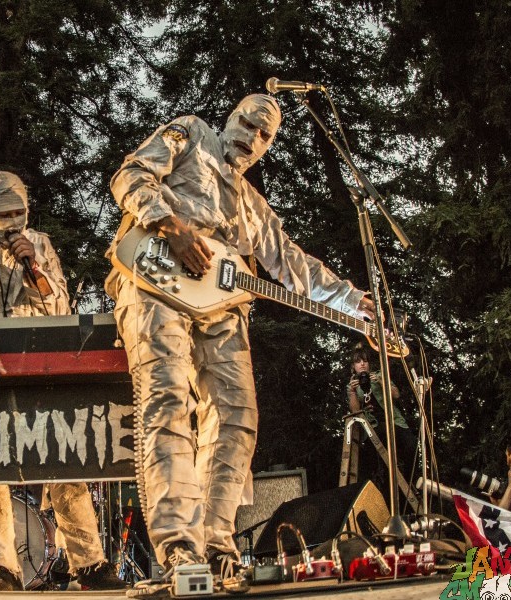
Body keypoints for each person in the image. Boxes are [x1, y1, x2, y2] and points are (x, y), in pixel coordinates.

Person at [106, 94, 375, 591]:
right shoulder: (189, 133)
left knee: (237, 416)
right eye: (247, 123)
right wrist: (173, 226)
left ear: (267, 147)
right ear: (229, 116)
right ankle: (178, 548)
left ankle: (215, 544)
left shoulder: (252, 204)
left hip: (224, 307)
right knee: (166, 402)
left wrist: (353, 302)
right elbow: (130, 176)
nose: (250, 137)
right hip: (154, 281)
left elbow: (291, 263)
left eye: (263, 135)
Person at [0, 171, 125, 591]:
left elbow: (61, 302)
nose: (12, 221)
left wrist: (34, 265)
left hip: (43, 366)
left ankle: (88, 563)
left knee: (68, 459)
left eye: (18, 212)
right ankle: (3, 568)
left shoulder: (39, 242)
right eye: (3, 214)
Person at [346, 344, 417, 483]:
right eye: (358, 361)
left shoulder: (379, 375)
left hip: (394, 420)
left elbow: (396, 395)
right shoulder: (352, 385)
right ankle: (387, 481)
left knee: (411, 445)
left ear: (369, 364)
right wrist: (353, 392)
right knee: (380, 459)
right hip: (374, 425)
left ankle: (410, 481)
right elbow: (355, 411)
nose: (362, 364)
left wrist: (380, 381)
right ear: (353, 366)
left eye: (365, 361)